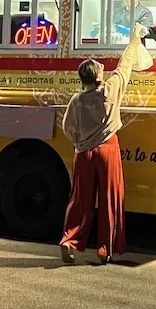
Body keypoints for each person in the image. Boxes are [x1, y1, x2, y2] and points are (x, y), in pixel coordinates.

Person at [58, 24, 148, 264]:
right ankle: (104, 248)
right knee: (110, 198)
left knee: (80, 199)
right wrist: (134, 40)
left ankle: (69, 241)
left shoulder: (76, 100)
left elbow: (68, 128)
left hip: (83, 152)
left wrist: (80, 142)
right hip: (108, 148)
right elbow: (125, 65)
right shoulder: (110, 89)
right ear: (98, 76)